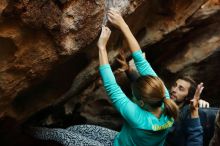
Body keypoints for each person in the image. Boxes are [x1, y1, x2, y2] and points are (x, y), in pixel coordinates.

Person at [98, 8, 179, 146]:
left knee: (63, 135)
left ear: (141, 103)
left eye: (133, 97)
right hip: (126, 139)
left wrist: (101, 47)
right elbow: (141, 61)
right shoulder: (165, 99)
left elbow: (112, 87)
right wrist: (122, 24)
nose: (132, 98)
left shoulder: (138, 117)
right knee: (77, 130)